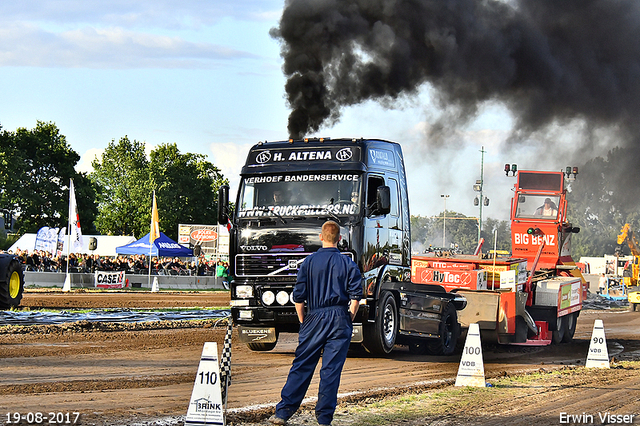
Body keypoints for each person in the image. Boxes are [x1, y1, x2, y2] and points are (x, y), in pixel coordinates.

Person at [269, 220, 362, 426]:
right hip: (340, 318)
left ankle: (283, 412)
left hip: (314, 317)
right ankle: (324, 419)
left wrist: (304, 322)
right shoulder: (348, 264)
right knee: (331, 370)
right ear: (339, 239)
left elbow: (298, 298)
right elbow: (356, 297)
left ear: (321, 237)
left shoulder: (308, 262)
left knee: (302, 365)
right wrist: (348, 318)